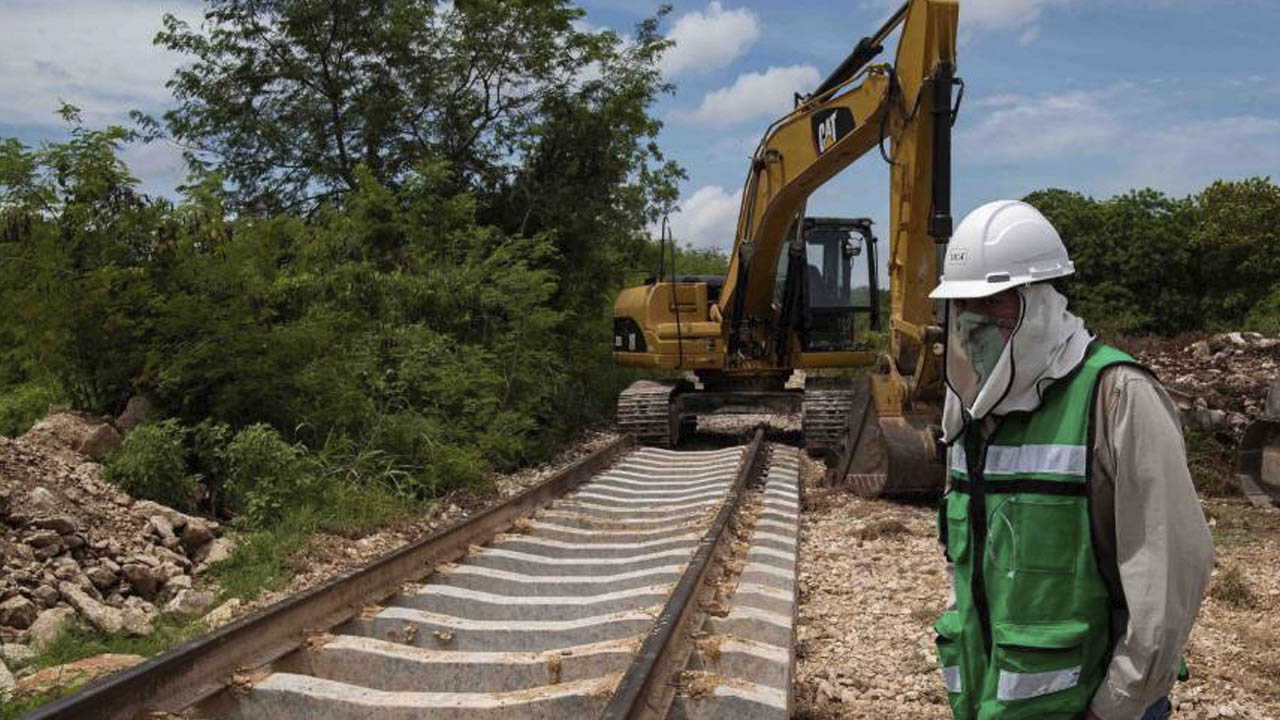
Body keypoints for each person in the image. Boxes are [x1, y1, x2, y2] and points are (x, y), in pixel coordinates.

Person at [928, 200, 1214, 720]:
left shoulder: (1117, 395)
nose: (974, 321)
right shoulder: (968, 408)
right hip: (991, 701)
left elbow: (1168, 574)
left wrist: (1115, 705)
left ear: (1037, 302)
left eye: (995, 302)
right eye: (964, 305)